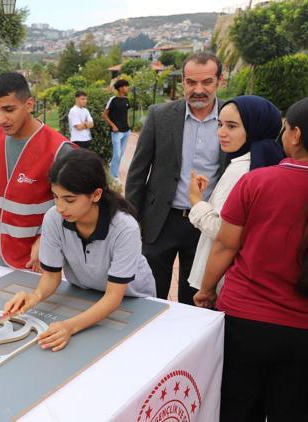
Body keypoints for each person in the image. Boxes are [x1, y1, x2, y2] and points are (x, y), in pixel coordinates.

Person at [193, 97, 308, 421]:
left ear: (295, 135)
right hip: (302, 330)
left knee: (237, 406)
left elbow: (226, 246)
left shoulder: (256, 180)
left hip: (247, 318)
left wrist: (206, 289)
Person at [3, 149, 155, 351]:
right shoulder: (54, 218)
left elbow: (113, 297)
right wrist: (35, 296)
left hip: (133, 300)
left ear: (96, 194)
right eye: (55, 197)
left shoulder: (125, 228)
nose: (60, 207)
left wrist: (70, 326)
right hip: (85, 295)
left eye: (69, 199)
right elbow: (51, 277)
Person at [125, 52, 228, 305]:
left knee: (193, 298)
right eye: (191, 82)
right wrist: (132, 219)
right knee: (149, 293)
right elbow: (138, 172)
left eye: (207, 82)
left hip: (207, 224)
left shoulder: (232, 117)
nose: (198, 89)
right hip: (161, 220)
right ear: (182, 81)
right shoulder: (160, 116)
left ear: (220, 80)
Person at [0, 71, 74, 271]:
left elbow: (72, 207)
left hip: (33, 263)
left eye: (9, 109)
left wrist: (46, 239)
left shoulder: (59, 149)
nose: (1, 119)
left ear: (29, 105)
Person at [187, 96, 284, 292]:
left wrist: (196, 201)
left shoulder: (241, 170)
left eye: (231, 126)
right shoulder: (272, 162)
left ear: (255, 127)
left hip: (222, 281)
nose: (221, 132)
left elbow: (223, 232)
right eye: (220, 124)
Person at [102, 79, 131, 181]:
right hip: (116, 132)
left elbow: (127, 114)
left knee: (120, 154)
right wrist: (113, 126)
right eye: (126, 86)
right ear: (121, 88)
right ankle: (114, 176)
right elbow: (104, 115)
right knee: (117, 154)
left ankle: (112, 166)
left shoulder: (126, 100)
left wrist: (129, 125)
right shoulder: (113, 100)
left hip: (126, 131)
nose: (128, 88)